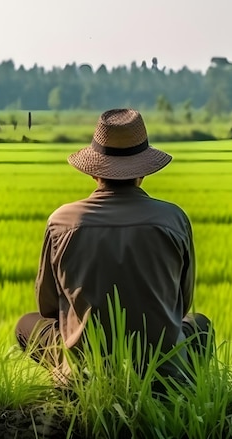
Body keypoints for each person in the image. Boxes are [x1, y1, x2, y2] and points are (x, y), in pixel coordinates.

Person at [15, 108, 213, 384]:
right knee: (201, 326)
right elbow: (181, 305)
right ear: (143, 172)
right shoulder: (174, 219)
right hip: (162, 371)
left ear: (94, 172)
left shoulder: (61, 221)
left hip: (85, 372)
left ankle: (68, 383)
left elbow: (47, 306)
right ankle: (184, 392)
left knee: (26, 325)